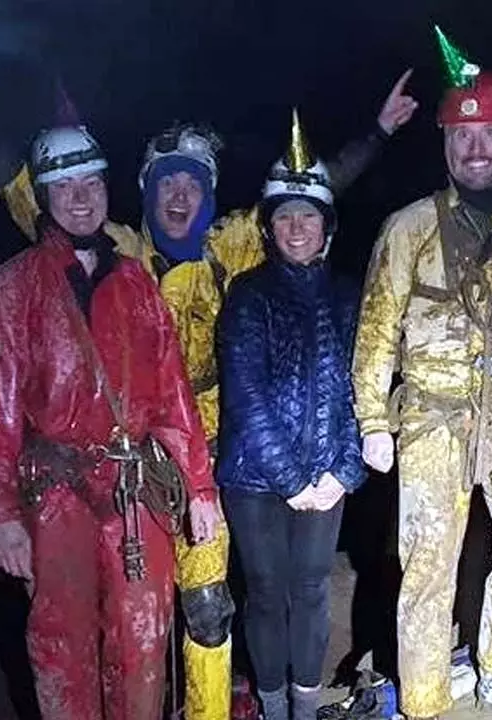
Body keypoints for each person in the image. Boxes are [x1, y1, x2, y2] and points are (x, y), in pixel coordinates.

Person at [0, 53, 416, 720]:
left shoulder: (229, 246)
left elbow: (305, 193)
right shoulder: (120, 252)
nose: (178, 198)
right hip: (134, 456)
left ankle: (210, 708)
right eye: (165, 187)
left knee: (209, 606)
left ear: (207, 194)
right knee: (124, 607)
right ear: (146, 193)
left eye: (190, 186)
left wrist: (378, 133)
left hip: (217, 442)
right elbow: (27, 192)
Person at [352, 27, 492, 718]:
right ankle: (422, 698)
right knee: (426, 563)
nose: (475, 149)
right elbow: (375, 327)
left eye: (488, 137)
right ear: (445, 145)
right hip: (432, 415)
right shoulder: (409, 227)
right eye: (462, 138)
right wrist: (371, 420)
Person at [0, 119, 219, 718]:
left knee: (143, 637)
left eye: (90, 183)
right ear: (46, 198)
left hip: (135, 490)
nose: (80, 198)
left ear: (108, 189)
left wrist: (201, 489)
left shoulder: (134, 280)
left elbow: (172, 393)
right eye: (64, 187)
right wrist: (3, 517)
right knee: (62, 642)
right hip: (56, 495)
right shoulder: (14, 285)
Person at [217, 112, 366, 720]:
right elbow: (245, 396)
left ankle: (304, 708)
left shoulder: (348, 295)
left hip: (327, 477)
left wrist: (345, 470)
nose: (296, 226)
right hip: (256, 480)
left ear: (326, 226)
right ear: (268, 226)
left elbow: (368, 385)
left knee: (311, 592)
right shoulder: (248, 295)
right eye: (284, 216)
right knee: (266, 594)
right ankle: (273, 707)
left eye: (307, 215)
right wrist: (293, 479)